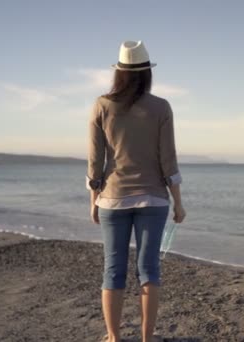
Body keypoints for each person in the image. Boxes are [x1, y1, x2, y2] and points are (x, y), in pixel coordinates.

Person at [86, 40, 186, 342]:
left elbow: (95, 161)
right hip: (154, 199)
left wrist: (94, 201)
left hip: (112, 199)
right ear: (146, 73)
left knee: (113, 270)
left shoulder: (102, 105)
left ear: (119, 72)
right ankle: (146, 338)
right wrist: (178, 203)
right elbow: (168, 159)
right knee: (149, 270)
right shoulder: (161, 107)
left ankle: (114, 338)